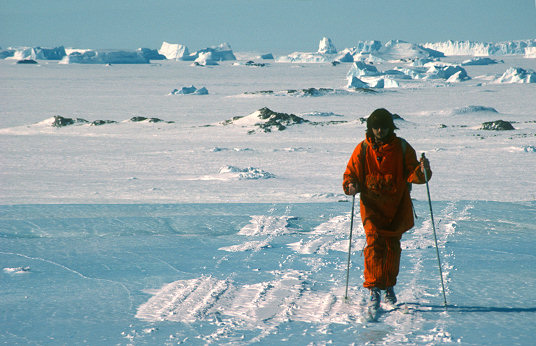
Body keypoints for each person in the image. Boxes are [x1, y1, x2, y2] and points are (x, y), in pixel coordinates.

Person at [342, 108, 431, 309]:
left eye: (383, 127)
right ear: (370, 128)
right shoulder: (362, 149)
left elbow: (413, 174)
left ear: (391, 127)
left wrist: (422, 170)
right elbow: (350, 174)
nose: (379, 131)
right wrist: (351, 185)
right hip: (371, 206)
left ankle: (389, 285)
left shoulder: (402, 148)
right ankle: (374, 287)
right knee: (374, 242)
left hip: (396, 205)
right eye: (376, 127)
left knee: (392, 247)